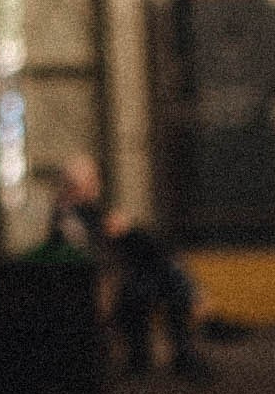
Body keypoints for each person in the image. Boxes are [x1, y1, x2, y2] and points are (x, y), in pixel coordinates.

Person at [51, 150, 210, 380]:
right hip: (96, 282)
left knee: (161, 270)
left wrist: (124, 230)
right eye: (92, 180)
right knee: (159, 278)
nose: (97, 185)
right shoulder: (69, 215)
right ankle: (188, 326)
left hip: (117, 276)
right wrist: (115, 232)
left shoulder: (92, 212)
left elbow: (142, 243)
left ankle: (176, 341)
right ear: (75, 185)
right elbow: (82, 252)